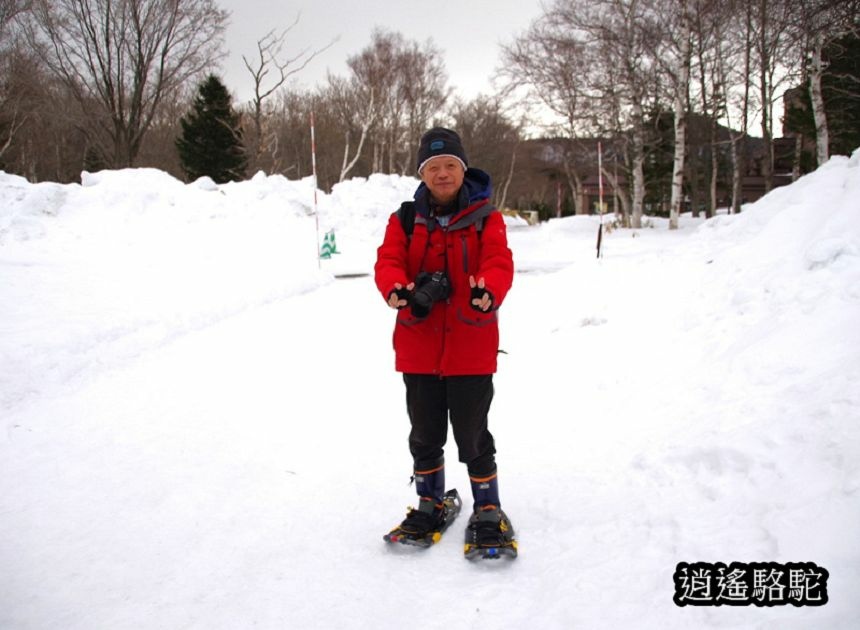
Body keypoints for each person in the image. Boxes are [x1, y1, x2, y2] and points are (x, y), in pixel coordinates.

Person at [374, 127, 516, 556]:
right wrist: (397, 287)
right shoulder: (404, 218)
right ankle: (429, 500)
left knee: (473, 434)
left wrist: (487, 289)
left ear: (462, 169)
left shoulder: (486, 217)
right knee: (424, 433)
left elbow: (498, 259)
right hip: (418, 346)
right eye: (432, 167)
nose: (441, 174)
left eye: (449, 166)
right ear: (423, 173)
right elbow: (389, 259)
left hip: (471, 347)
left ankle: (488, 507)